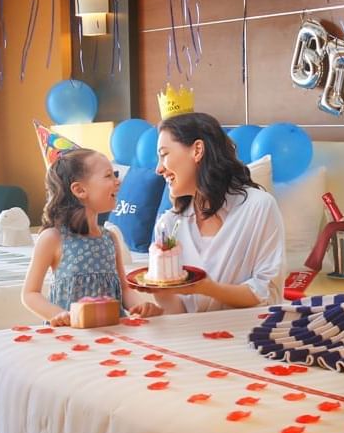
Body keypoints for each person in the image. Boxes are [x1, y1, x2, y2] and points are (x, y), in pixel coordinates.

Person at [151, 112, 286, 313]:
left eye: (164, 155)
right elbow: (179, 312)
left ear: (197, 150)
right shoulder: (169, 224)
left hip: (247, 335)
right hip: (190, 339)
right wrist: (159, 294)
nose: (158, 169)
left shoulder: (258, 207)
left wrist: (211, 289)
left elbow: (270, 293)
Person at [22, 148, 160, 325]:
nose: (118, 182)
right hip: (72, 335)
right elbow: (30, 293)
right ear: (80, 190)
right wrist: (59, 315)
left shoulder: (109, 238)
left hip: (115, 334)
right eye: (108, 175)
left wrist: (141, 306)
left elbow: (124, 290)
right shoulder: (53, 238)